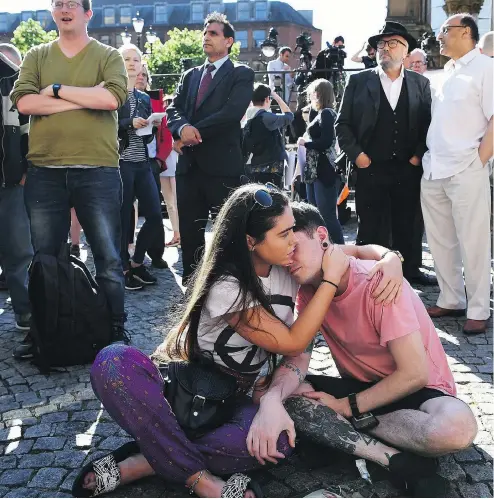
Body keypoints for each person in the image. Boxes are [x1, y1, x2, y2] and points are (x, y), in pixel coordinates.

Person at [74, 184, 405, 498]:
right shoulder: (227, 285)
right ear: (251, 240)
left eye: (293, 229)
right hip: (183, 391)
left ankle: (154, 456)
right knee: (112, 361)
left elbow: (359, 250)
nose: (293, 242)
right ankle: (200, 481)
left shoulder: (287, 261)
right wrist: (331, 279)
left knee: (277, 442)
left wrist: (391, 258)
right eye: (284, 233)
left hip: (236, 401)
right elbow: (292, 342)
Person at [250, 202, 478, 496]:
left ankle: (339, 432)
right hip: (359, 388)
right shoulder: (308, 288)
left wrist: (345, 408)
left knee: (455, 430)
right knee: (273, 391)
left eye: (295, 247)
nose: (287, 260)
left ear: (322, 236)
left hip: (418, 395)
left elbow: (415, 375)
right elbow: (297, 358)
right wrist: (272, 399)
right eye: (284, 249)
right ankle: (387, 454)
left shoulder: (378, 281)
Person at [10, 0, 129, 358]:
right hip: (45, 171)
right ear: (53, 11)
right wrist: (85, 99)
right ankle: (45, 331)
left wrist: (58, 90)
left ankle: (114, 329)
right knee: (44, 257)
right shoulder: (37, 55)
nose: (64, 9)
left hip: (98, 169)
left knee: (107, 257)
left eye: (72, 4)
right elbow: (25, 103)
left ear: (87, 12)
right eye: (58, 3)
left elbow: (112, 98)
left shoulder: (108, 55)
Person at [336, 21, 436, 286]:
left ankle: (411, 270)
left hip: (408, 167)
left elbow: (429, 124)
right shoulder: (358, 81)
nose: (384, 49)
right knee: (370, 224)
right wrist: (357, 155)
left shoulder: (420, 84)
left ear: (405, 51)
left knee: (410, 222)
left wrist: (417, 155)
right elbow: (342, 124)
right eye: (380, 44)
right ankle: (370, 273)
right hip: (371, 167)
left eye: (392, 44)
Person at [166, 12, 255, 283]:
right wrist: (181, 129)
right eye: (205, 32)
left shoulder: (241, 73)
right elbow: (174, 108)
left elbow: (231, 113)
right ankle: (192, 287)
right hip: (189, 168)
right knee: (191, 236)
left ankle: (232, 285)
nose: (206, 37)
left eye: (213, 33)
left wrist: (194, 132)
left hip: (222, 167)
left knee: (228, 232)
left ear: (228, 41)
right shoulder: (190, 75)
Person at [421, 14, 493, 335]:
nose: (438, 36)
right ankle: (451, 298)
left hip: (467, 167)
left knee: (473, 241)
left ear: (465, 32)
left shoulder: (486, 68)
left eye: (444, 31)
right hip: (434, 168)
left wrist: (478, 161)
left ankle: (478, 308)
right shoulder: (446, 72)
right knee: (440, 240)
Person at [118, 44, 165, 291]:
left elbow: (146, 136)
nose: (133, 63)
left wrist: (150, 126)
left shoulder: (144, 97)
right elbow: (108, 124)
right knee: (123, 219)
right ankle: (124, 268)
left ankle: (137, 262)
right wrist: (129, 123)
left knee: (156, 216)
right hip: (121, 162)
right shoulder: (112, 93)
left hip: (143, 162)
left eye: (136, 59)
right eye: (127, 59)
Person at [0, 43, 33, 332]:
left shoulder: (12, 81)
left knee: (19, 252)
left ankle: (25, 312)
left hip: (10, 182)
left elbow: (27, 129)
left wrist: (25, 171)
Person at [297, 79, 344, 245]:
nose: (310, 97)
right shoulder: (320, 113)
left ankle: (340, 249)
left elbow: (326, 141)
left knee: (326, 214)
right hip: (315, 170)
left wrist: (306, 143)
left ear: (319, 94)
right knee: (316, 213)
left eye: (313, 93)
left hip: (324, 169)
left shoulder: (327, 114)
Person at [134, 64, 169, 267]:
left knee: (154, 211)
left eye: (144, 75)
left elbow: (165, 133)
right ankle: (130, 255)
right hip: (127, 160)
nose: (141, 77)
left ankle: (156, 253)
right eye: (138, 74)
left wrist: (159, 159)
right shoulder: (123, 97)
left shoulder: (153, 100)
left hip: (150, 160)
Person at [243, 83, 294, 188]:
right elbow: (289, 116)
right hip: (271, 167)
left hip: (254, 166)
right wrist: (277, 98)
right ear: (267, 99)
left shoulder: (248, 118)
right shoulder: (267, 118)